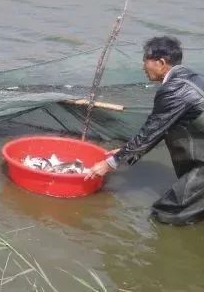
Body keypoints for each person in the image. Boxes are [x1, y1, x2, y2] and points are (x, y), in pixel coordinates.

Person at [86, 36, 204, 225]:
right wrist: (125, 151)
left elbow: (151, 131)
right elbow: (159, 129)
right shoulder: (190, 78)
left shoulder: (175, 90)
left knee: (166, 213)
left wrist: (109, 164)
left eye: (145, 61)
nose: (143, 67)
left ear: (161, 62)